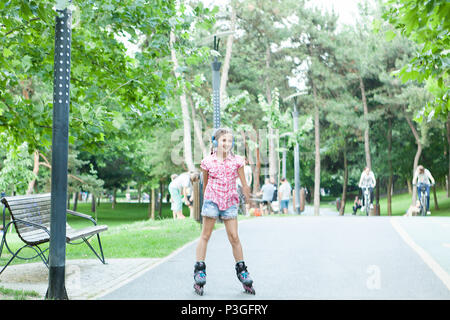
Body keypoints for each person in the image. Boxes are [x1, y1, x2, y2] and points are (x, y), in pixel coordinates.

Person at [193, 127, 255, 295]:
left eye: (229, 141)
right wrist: (207, 200)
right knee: (206, 235)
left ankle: (242, 271)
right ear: (215, 142)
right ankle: (199, 270)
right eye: (223, 140)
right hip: (212, 200)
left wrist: (248, 198)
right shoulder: (207, 162)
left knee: (234, 237)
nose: (227, 144)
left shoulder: (237, 161)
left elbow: (243, 182)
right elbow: (205, 184)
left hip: (229, 202)